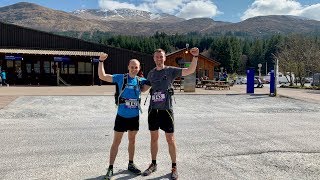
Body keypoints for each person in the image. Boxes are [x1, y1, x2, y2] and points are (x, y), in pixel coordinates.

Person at [141, 47, 199, 180]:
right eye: (157, 57)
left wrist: (195, 57)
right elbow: (144, 89)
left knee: (170, 139)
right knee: (154, 138)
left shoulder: (171, 70)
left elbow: (190, 70)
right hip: (153, 110)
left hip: (166, 110)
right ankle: (153, 164)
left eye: (161, 56)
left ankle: (174, 167)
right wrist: (134, 84)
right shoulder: (151, 73)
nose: (159, 59)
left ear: (164, 58)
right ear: (154, 58)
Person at [98, 53, 147, 180]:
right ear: (128, 67)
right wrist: (101, 61)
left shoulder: (141, 80)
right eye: (132, 67)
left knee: (132, 141)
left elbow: (151, 85)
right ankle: (110, 168)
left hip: (134, 117)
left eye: (136, 67)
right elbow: (102, 76)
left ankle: (131, 164)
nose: (134, 69)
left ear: (139, 68)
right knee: (116, 142)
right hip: (121, 116)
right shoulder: (121, 78)